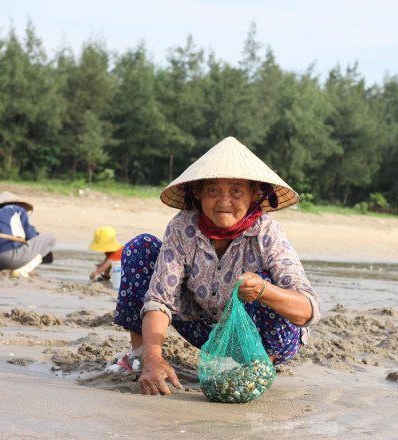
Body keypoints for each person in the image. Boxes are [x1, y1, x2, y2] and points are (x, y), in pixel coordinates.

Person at [105, 136, 321, 395]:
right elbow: (160, 300)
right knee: (141, 248)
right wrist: (153, 357)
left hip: (264, 340)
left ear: (254, 194)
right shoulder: (182, 227)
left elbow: (308, 311)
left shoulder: (267, 234)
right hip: (207, 329)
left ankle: (255, 367)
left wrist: (264, 290)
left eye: (237, 191)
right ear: (198, 193)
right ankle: (140, 356)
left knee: (265, 281)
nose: (224, 201)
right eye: (213, 190)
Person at [0, 191, 56, 277]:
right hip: (7, 258)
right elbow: (31, 235)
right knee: (51, 237)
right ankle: (22, 270)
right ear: (16, 203)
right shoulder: (17, 210)